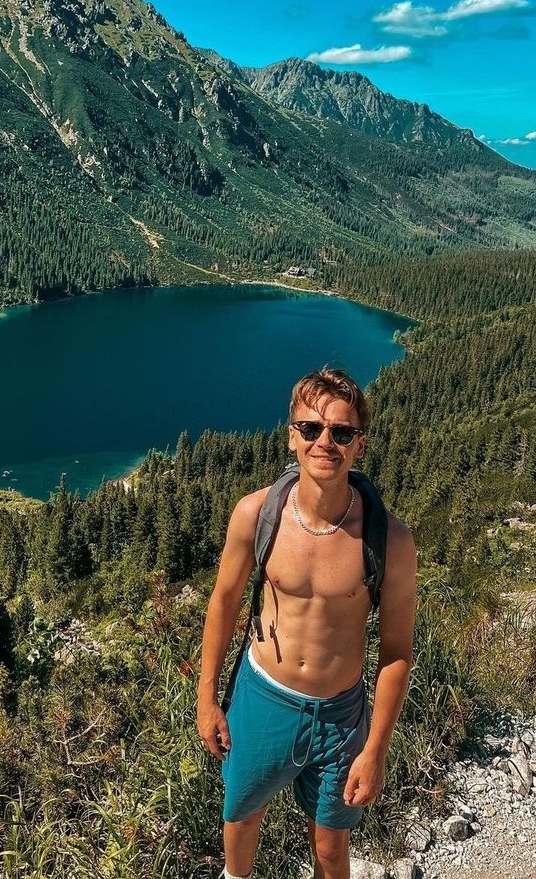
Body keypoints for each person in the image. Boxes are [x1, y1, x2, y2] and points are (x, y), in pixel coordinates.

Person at [197, 368, 417, 879]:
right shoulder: (256, 514)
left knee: (331, 848)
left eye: (342, 433)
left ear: (359, 444)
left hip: (341, 715)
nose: (326, 443)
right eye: (311, 429)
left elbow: (397, 651)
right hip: (264, 698)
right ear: (291, 435)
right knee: (241, 821)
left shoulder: (390, 540)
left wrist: (376, 749)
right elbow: (224, 603)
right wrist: (207, 698)